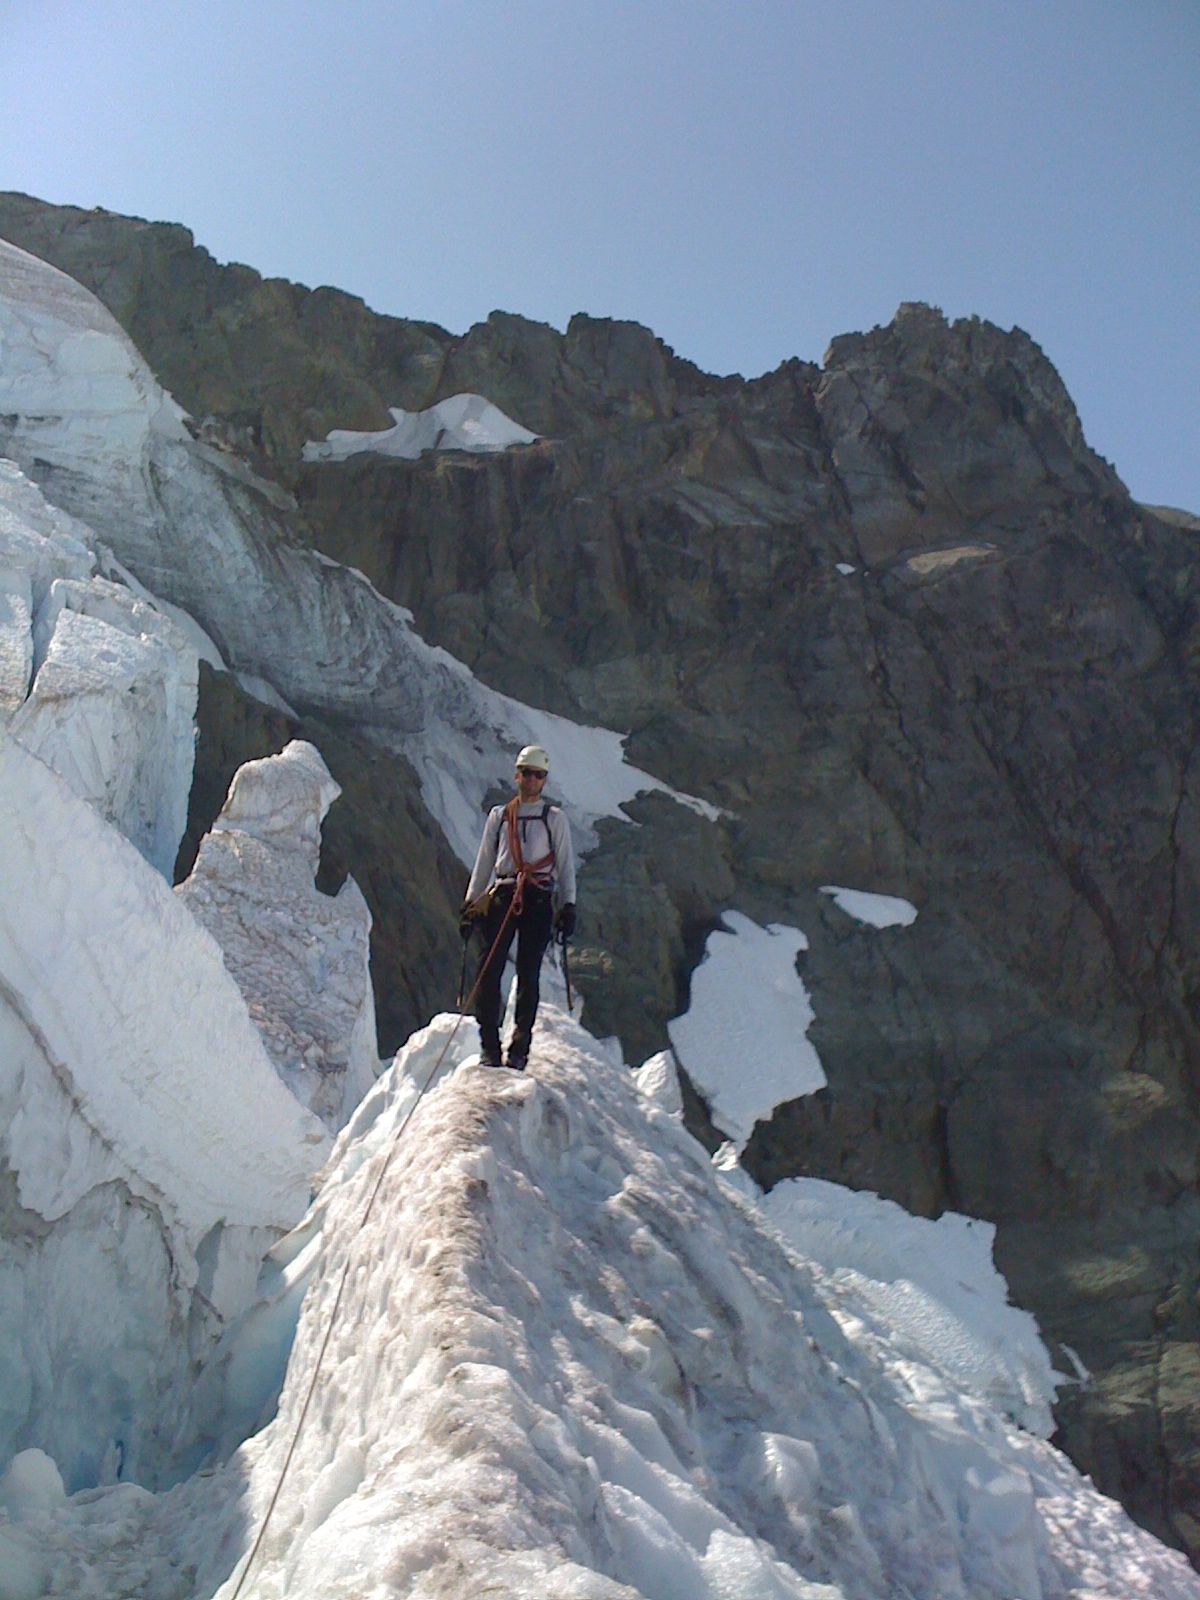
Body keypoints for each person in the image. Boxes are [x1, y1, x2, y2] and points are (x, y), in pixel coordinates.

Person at [460, 745, 576, 1069]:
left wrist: (568, 906)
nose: (531, 780)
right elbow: (484, 863)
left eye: (537, 775)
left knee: (528, 973)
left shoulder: (554, 819)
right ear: (518, 775)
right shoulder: (499, 816)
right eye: (527, 773)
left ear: (544, 780)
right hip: (504, 895)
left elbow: (566, 866)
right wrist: (471, 904)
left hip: (536, 898)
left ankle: (518, 1049)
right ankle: (490, 1046)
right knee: (489, 971)